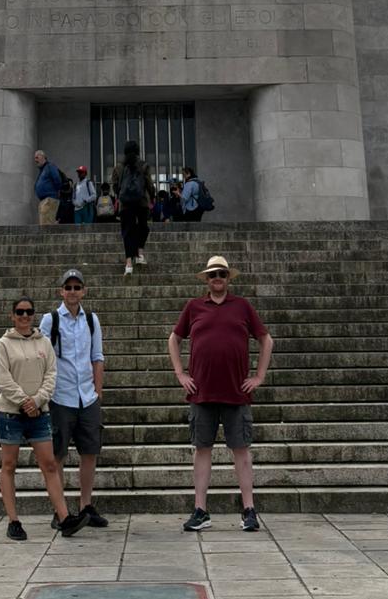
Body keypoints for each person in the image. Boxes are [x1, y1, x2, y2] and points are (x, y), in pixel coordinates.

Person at [167, 254, 273, 534]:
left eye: (222, 274)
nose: (217, 278)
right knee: (202, 450)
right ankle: (200, 509)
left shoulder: (242, 306)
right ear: (207, 279)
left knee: (242, 451)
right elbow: (174, 338)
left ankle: (249, 509)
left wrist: (259, 376)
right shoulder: (194, 307)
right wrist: (180, 374)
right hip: (202, 392)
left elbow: (265, 339)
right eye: (213, 274)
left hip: (236, 391)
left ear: (228, 278)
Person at [0, 295, 88, 541]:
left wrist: (36, 401)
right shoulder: (3, 344)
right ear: (12, 315)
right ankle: (13, 520)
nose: (24, 316)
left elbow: (51, 375)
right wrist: (24, 401)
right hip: (11, 413)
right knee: (9, 465)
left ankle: (64, 516)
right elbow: (2, 380)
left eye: (28, 312)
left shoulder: (43, 342)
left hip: (39, 412)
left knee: (49, 464)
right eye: (20, 312)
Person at [39, 268, 108, 529]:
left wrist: (97, 393)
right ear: (61, 291)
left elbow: (97, 357)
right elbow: (43, 357)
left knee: (89, 452)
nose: (72, 292)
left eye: (77, 287)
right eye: (68, 287)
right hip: (61, 396)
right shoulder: (51, 320)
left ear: (84, 291)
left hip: (87, 397)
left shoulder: (91, 320)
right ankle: (60, 510)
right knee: (57, 455)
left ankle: (85, 505)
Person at [110, 138, 154, 276]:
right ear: (137, 151)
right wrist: (152, 197)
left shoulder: (118, 167)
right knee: (143, 227)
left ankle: (129, 263)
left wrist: (122, 194)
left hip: (126, 204)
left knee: (127, 232)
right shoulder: (143, 165)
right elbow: (149, 184)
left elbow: (115, 186)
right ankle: (140, 254)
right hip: (141, 202)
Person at [33, 150, 62, 228]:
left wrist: (53, 194)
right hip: (44, 200)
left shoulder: (50, 166)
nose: (35, 160)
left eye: (37, 157)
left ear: (43, 157)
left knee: (46, 226)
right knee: (44, 224)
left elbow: (57, 180)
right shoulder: (43, 169)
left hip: (49, 199)